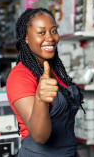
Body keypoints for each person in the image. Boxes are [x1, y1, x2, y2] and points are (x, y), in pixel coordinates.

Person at [6, 8, 84, 156]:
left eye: (53, 31)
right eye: (41, 32)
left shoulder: (55, 71)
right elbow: (40, 136)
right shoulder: (20, 76)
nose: (51, 38)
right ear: (26, 37)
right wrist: (40, 99)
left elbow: (65, 129)